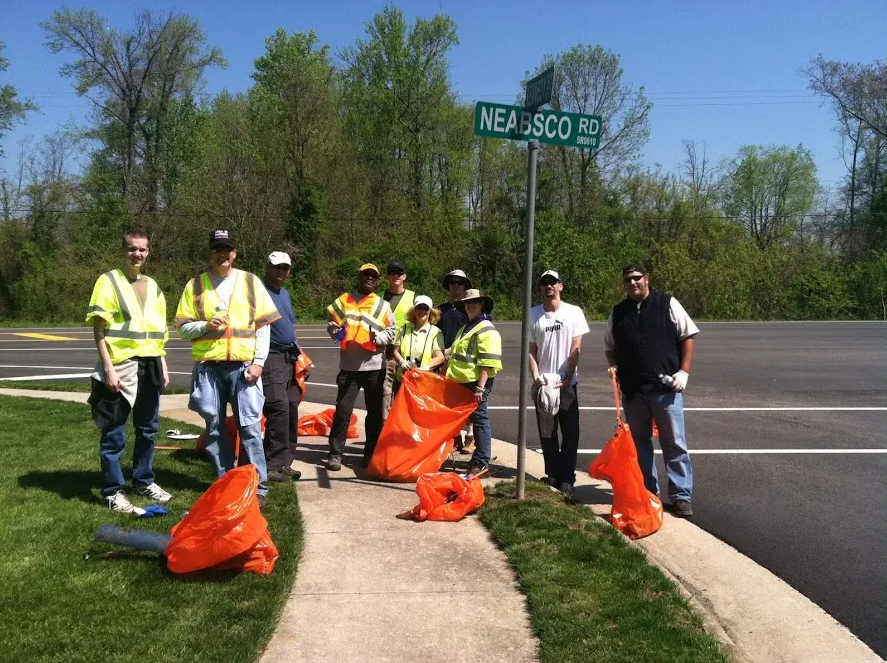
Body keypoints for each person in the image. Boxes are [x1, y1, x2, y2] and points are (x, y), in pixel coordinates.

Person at [174, 229, 281, 508]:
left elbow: (263, 328)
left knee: (250, 428)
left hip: (244, 369)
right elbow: (183, 330)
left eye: (228, 249)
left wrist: (258, 364)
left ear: (234, 252)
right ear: (210, 252)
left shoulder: (251, 282)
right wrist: (204, 326)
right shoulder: (195, 285)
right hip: (209, 369)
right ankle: (224, 483)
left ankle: (257, 487)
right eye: (217, 249)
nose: (223, 254)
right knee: (214, 429)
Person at [604, 264, 699, 518]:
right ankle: (648, 492)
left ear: (646, 279)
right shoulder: (619, 312)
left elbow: (687, 335)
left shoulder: (667, 303)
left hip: (665, 389)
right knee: (640, 444)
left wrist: (684, 372)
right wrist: (613, 365)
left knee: (674, 442)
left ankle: (681, 495)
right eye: (628, 280)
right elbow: (610, 346)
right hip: (633, 391)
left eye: (637, 278)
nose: (633, 283)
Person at [87, 229, 171, 513]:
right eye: (132, 249)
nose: (137, 254)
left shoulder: (154, 285)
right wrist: (109, 370)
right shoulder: (108, 281)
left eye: (143, 249)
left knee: (148, 429)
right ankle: (113, 491)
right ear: (123, 250)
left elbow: (159, 332)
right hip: (122, 366)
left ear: (149, 252)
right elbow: (99, 331)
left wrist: (164, 363)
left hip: (151, 365)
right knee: (115, 433)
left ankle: (143, 480)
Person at [325, 263, 396, 471]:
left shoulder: (383, 305)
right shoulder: (344, 300)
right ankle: (335, 454)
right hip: (349, 367)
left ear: (377, 280)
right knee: (343, 411)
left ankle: (370, 454)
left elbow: (391, 332)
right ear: (359, 276)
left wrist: (378, 337)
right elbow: (331, 324)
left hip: (374, 367)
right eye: (366, 275)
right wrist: (335, 332)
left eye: (373, 276)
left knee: (374, 414)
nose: (369, 278)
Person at [528, 269, 589, 502]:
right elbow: (532, 350)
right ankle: (552, 475)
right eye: (544, 283)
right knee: (547, 432)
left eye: (553, 282)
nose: (548, 286)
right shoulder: (534, 315)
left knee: (570, 432)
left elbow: (576, 348)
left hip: (566, 384)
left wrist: (567, 378)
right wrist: (536, 376)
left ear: (560, 286)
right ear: (541, 288)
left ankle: (567, 479)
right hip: (544, 385)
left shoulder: (573, 312)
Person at [445, 289, 502, 476]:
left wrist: (480, 388)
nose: (471, 305)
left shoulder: (485, 328)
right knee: (472, 420)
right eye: (468, 302)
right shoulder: (466, 327)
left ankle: (482, 460)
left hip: (476, 383)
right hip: (462, 382)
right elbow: (452, 352)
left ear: (481, 305)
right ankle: (477, 458)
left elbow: (487, 361)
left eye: (475, 302)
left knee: (480, 421)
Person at [261, 251, 304, 483]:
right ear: (267, 267)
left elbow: (291, 325)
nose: (281, 272)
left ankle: (285, 461)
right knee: (277, 408)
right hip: (270, 356)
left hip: (289, 356)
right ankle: (271, 464)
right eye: (277, 267)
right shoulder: (259, 292)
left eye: (285, 268)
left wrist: (299, 351)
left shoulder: (284, 293)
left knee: (291, 407)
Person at [437, 269, 472, 453]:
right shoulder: (441, 309)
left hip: (465, 361)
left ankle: (470, 436)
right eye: (453, 283)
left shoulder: (469, 308)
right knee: (448, 401)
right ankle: (454, 435)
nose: (456, 286)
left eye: (460, 283)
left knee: (468, 400)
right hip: (444, 360)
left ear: (465, 286)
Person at [391, 295, 445, 398]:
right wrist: (402, 362)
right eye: (419, 308)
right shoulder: (404, 328)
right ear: (414, 310)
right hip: (403, 380)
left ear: (430, 311)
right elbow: (395, 351)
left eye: (425, 308)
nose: (422, 311)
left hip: (424, 382)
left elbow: (440, 357)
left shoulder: (436, 332)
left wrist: (426, 367)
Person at [381, 261, 415, 418]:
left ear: (404, 276)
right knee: (385, 391)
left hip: (404, 353)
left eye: (399, 273)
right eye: (392, 273)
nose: (396, 276)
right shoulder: (378, 297)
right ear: (387, 276)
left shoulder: (413, 298)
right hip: (383, 352)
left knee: (404, 391)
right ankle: (385, 426)